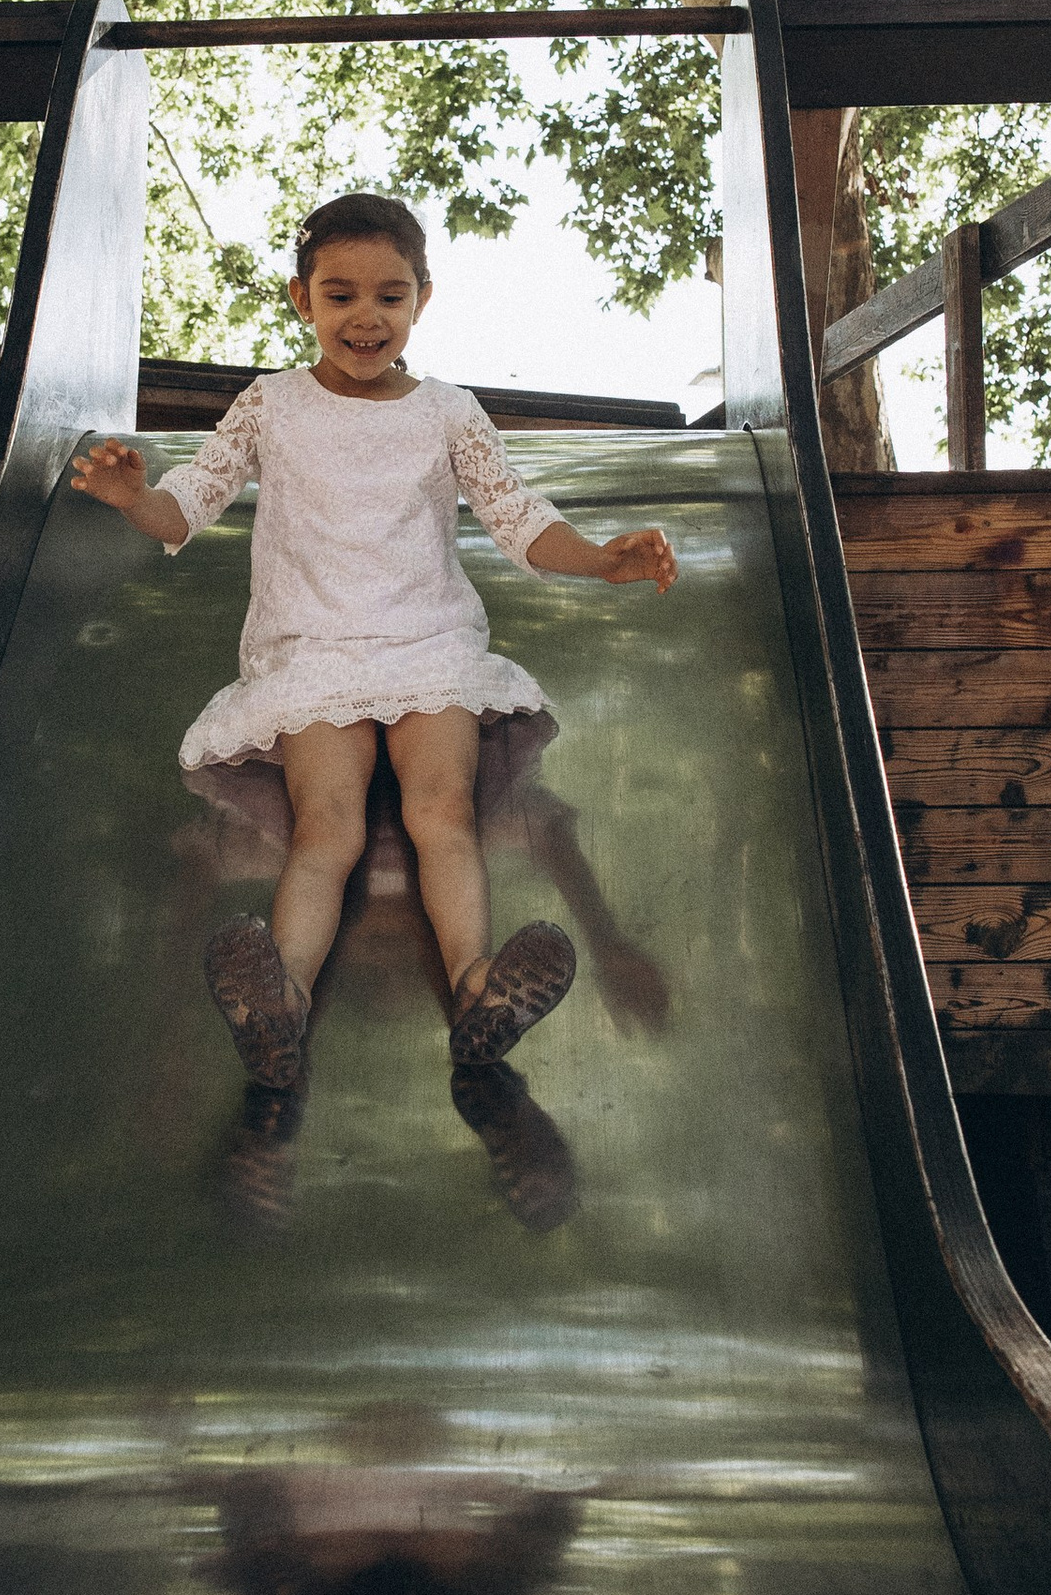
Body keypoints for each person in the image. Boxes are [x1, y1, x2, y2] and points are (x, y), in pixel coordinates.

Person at [71, 192, 675, 1231]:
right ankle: (282, 1003)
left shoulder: (446, 410)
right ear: (300, 298)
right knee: (328, 827)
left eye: (389, 295)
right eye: (340, 294)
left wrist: (604, 562)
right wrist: (132, 498)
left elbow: (519, 519)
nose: (365, 315)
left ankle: (480, 991)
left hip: (428, 646)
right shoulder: (268, 404)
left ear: (422, 300)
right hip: (313, 656)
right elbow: (192, 500)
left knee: (440, 811)